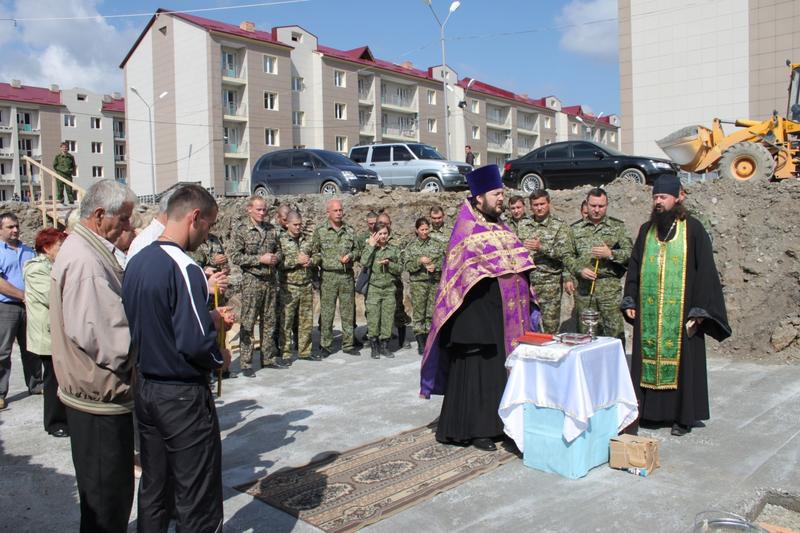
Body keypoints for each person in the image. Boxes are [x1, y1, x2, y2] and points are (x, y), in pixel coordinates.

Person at [123, 184, 231, 532]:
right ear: (194, 217)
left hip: (147, 388)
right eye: (209, 226)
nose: (207, 234)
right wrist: (219, 358)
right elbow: (194, 342)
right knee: (195, 495)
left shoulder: (137, 260)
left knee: (155, 486)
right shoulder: (184, 267)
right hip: (181, 395)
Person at [420, 165, 534, 451]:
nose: (501, 199)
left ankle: (501, 423)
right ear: (479, 197)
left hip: (505, 315)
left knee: (499, 371)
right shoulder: (467, 229)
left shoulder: (502, 227)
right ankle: (478, 429)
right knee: (479, 372)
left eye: (502, 194)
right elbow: (461, 274)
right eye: (496, 194)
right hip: (477, 316)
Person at [50, 179, 137, 532]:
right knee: (106, 502)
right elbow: (110, 340)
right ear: (100, 215)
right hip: (97, 400)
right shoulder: (86, 262)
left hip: (94, 396)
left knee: (104, 498)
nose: (129, 227)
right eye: (125, 219)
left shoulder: (86, 250)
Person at [622, 174, 730, 437]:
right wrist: (630, 298)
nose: (658, 202)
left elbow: (705, 270)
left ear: (678, 198)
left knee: (683, 363)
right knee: (646, 361)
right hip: (648, 314)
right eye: (655, 197)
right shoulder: (646, 231)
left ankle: (681, 417)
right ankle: (648, 412)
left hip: (682, 313)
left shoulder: (693, 229)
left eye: (663, 197)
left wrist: (700, 311)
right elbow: (635, 266)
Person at [567, 188, 632, 344]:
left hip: (609, 288)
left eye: (601, 206)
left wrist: (610, 254)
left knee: (614, 333)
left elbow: (630, 254)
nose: (596, 210)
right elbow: (567, 256)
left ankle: (616, 368)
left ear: (607, 205)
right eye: (593, 205)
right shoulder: (574, 229)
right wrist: (579, 270)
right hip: (584, 289)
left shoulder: (618, 227)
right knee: (586, 335)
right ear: (587, 205)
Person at [228, 195, 284, 375]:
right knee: (248, 322)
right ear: (249, 209)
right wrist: (259, 259)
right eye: (259, 209)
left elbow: (279, 251)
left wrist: (276, 258)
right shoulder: (242, 230)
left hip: (269, 281)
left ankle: (267, 358)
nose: (262, 213)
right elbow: (235, 257)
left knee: (269, 321)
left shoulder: (271, 229)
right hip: (252, 281)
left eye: (264, 210)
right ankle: (246, 362)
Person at [23, 228, 68, 436]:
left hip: (57, 331)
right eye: (60, 246)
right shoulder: (36, 268)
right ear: (47, 247)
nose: (64, 249)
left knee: (61, 376)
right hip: (46, 333)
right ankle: (54, 422)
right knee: (52, 379)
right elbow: (51, 295)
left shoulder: (55, 265)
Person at [0, 212, 41, 410]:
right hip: (6, 307)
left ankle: (36, 384)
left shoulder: (28, 251)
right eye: (10, 227)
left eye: (16, 226)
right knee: (3, 351)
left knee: (31, 348)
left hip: (28, 306)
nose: (15, 230)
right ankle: (0, 393)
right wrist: (22, 295)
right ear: (1, 229)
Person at [521, 190, 576, 333]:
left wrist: (541, 247)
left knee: (550, 327)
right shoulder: (523, 224)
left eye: (542, 204)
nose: (539, 208)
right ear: (530, 206)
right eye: (535, 205)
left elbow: (566, 255)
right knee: (527, 325)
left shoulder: (560, 226)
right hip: (526, 283)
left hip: (549, 284)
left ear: (549, 204)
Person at [311, 198, 360, 357]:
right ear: (328, 213)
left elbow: (358, 251)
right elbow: (315, 252)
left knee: (348, 311)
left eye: (340, 210)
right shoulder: (320, 231)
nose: (339, 213)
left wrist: (350, 255)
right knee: (327, 313)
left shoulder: (350, 230)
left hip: (346, 276)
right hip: (328, 276)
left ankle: (348, 344)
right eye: (335, 210)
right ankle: (325, 345)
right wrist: (317, 262)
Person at [278, 211, 320, 361]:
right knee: (286, 321)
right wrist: (296, 260)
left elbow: (317, 255)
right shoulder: (280, 240)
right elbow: (278, 262)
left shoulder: (307, 239)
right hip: (288, 286)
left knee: (306, 321)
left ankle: (305, 351)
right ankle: (285, 352)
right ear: (287, 224)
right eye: (295, 225)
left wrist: (311, 261)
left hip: (306, 285)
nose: (298, 227)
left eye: (300, 224)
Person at [361, 222, 402, 358]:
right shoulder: (370, 247)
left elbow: (400, 268)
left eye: (385, 233)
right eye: (380, 234)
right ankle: (374, 347)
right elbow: (364, 263)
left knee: (387, 319)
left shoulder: (393, 249)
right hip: (374, 289)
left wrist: (389, 264)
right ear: (375, 234)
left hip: (389, 289)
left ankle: (385, 346)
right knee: (373, 319)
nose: (383, 236)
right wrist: (371, 246)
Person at [404, 217, 444, 354]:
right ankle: (421, 341)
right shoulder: (411, 246)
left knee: (431, 313)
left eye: (427, 229)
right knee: (419, 313)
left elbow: (444, 261)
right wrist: (419, 261)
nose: (425, 232)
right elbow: (407, 265)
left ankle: (430, 339)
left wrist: (435, 266)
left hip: (433, 282)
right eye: (422, 229)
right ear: (417, 230)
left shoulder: (437, 244)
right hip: (418, 283)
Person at [377, 211, 411, 349]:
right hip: (378, 283)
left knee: (398, 310)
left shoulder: (397, 241)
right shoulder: (374, 239)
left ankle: (403, 339)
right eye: (381, 224)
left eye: (386, 224)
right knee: (377, 311)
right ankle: (380, 338)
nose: (384, 226)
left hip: (394, 282)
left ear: (390, 224)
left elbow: (402, 262)